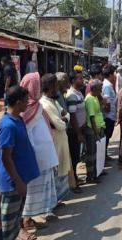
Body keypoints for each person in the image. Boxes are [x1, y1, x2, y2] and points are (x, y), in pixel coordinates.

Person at [0, 86, 40, 240]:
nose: (28, 103)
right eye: (25, 101)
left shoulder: (18, 119)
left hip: (21, 179)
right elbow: (5, 158)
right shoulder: (7, 126)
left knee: (16, 222)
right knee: (8, 226)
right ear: (17, 102)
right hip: (12, 183)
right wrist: (18, 182)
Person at [19, 72, 59, 231]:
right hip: (34, 160)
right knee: (30, 192)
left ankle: (30, 218)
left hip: (44, 159)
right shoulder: (24, 110)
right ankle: (25, 221)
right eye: (37, 85)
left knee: (39, 191)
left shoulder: (37, 106)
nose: (40, 88)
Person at [40, 74, 72, 202]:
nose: (57, 88)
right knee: (54, 176)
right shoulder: (45, 104)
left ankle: (57, 200)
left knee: (60, 175)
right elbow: (59, 125)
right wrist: (63, 120)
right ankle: (51, 204)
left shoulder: (53, 101)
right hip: (55, 144)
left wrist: (63, 119)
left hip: (61, 142)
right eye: (55, 85)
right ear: (50, 87)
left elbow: (66, 114)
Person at [65, 71, 86, 193]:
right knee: (74, 157)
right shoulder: (72, 95)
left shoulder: (78, 93)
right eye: (79, 78)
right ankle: (73, 184)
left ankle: (75, 180)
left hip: (80, 128)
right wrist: (78, 133)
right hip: (74, 131)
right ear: (73, 81)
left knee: (77, 156)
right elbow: (72, 116)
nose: (82, 80)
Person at [84, 80, 105, 183]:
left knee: (97, 153)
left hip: (98, 128)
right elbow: (91, 118)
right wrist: (96, 132)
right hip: (92, 130)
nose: (101, 91)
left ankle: (96, 172)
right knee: (91, 154)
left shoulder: (95, 97)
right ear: (94, 89)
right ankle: (90, 176)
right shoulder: (89, 100)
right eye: (99, 89)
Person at [102, 65, 117, 161]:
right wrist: (108, 112)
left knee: (108, 136)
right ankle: (104, 157)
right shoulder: (107, 85)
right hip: (108, 116)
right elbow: (106, 101)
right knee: (106, 137)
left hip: (110, 115)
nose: (115, 75)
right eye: (114, 73)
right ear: (110, 74)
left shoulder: (109, 84)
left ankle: (105, 155)